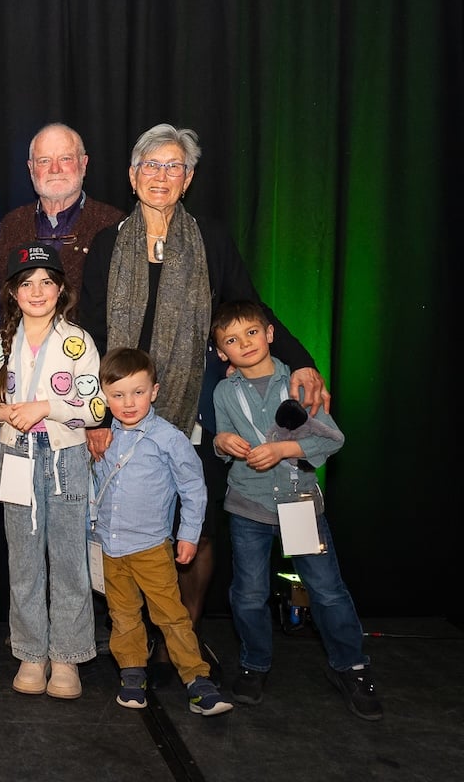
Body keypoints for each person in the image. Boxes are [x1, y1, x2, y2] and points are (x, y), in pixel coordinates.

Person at [78, 123, 331, 683]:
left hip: (194, 407)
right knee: (127, 524)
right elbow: (91, 330)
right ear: (131, 175)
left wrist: (304, 358)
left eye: (174, 167)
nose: (161, 176)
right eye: (151, 165)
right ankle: (133, 638)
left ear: (188, 179)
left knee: (199, 524)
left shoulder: (210, 238)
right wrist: (95, 413)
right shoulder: (106, 243)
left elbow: (249, 305)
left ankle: (182, 633)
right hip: (119, 407)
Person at [210, 300, 380, 721]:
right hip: (248, 507)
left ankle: (352, 667)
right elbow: (222, 436)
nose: (244, 343)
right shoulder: (224, 391)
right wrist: (221, 443)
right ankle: (254, 664)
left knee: (327, 589)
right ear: (221, 353)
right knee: (248, 594)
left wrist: (283, 449)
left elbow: (332, 440)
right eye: (231, 340)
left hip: (299, 505)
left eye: (252, 333)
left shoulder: (300, 384)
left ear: (269, 334)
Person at [0, 242, 104, 697]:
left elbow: (97, 407)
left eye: (47, 281)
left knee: (69, 560)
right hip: (16, 458)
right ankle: (31, 652)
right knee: (24, 560)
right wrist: (3, 413)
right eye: (26, 283)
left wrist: (47, 406)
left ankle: (67, 658)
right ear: (11, 292)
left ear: (61, 288)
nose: (37, 290)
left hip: (66, 457)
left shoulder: (78, 341)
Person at [92, 347, 233, 716]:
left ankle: (197, 680)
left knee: (171, 615)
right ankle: (132, 672)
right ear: (104, 396)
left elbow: (193, 488)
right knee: (122, 616)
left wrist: (188, 535)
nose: (128, 402)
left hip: (152, 547)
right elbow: (91, 487)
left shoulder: (169, 438)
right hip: (109, 547)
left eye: (138, 392)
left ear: (154, 391)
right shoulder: (101, 438)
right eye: (118, 395)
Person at [0, 122, 125, 300]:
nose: (55, 169)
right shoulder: (11, 224)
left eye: (65, 158)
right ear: (31, 168)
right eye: (44, 161)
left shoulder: (113, 225)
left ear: (84, 164)